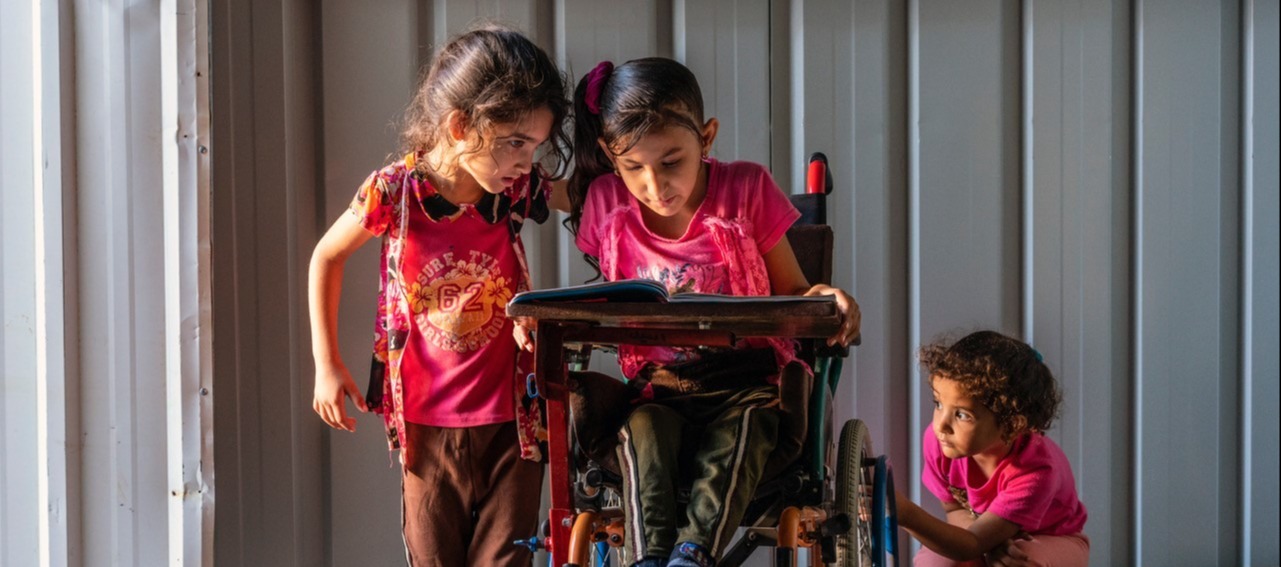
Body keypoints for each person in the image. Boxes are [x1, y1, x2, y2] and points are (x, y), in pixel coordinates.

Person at [551, 57, 861, 567]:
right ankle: (652, 556)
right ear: (611, 156)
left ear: (708, 138)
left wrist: (833, 298)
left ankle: (693, 555)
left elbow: (796, 291)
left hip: (748, 382)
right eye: (634, 167)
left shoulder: (745, 189)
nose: (654, 185)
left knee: (744, 428)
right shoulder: (607, 203)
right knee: (643, 430)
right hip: (660, 387)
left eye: (672, 161)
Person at [307, 25, 569, 567]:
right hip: (427, 431)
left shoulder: (516, 188)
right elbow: (326, 256)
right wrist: (326, 363)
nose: (526, 161)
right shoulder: (393, 192)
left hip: (513, 425)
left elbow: (591, 195)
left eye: (536, 146)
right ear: (459, 125)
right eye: (516, 143)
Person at [896, 330, 1090, 567]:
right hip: (980, 530)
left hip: (1053, 537)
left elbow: (974, 542)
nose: (941, 425)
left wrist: (905, 514)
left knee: (1021, 562)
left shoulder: (1036, 470)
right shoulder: (940, 443)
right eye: (938, 403)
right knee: (937, 562)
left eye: (962, 415)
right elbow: (955, 509)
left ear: (1012, 424)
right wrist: (987, 543)